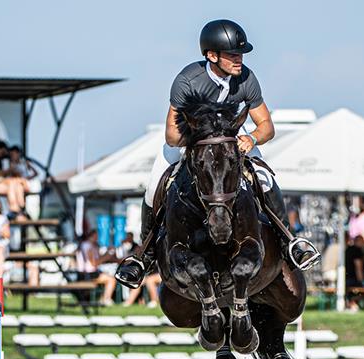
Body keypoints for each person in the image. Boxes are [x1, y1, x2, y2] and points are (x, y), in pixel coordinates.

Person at [114, 19, 320, 288]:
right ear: (212, 55)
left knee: (265, 178)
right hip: (191, 141)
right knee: (155, 185)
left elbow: (267, 127)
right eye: (233, 55)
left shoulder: (246, 78)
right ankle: (145, 255)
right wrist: (202, 139)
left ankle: (289, 242)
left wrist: (251, 137)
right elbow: (172, 136)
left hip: (233, 140)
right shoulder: (187, 81)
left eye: (241, 54)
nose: (239, 60)